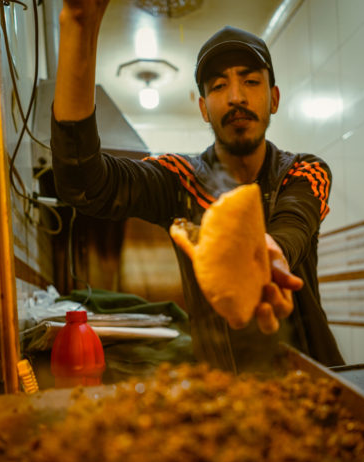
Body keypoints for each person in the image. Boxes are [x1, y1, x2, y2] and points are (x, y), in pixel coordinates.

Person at [51, 0, 344, 373]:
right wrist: (78, 27)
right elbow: (83, 185)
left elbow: (294, 221)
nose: (236, 96)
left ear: (273, 99)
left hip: (317, 382)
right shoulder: (180, 178)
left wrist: (267, 253)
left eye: (251, 81)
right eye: (220, 85)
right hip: (222, 395)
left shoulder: (305, 170)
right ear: (204, 108)